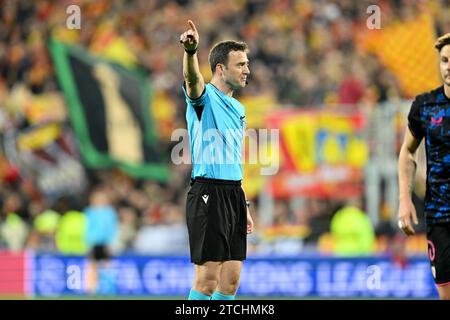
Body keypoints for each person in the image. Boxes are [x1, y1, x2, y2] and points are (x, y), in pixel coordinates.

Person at [179, 20, 254, 300]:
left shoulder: (239, 108)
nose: (247, 70)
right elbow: (192, 80)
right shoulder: (204, 97)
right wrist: (191, 53)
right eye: (240, 65)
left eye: (247, 63)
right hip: (208, 192)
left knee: (230, 282)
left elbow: (233, 157)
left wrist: (242, 202)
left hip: (233, 193)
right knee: (207, 280)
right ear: (220, 68)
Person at [398, 33, 450, 300]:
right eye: (444, 60)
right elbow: (408, 152)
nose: (448, 66)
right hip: (440, 215)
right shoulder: (426, 106)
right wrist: (405, 199)